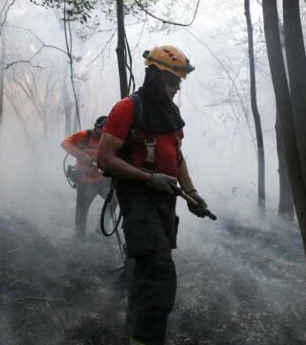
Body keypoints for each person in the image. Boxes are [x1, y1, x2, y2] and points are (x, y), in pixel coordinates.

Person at [97, 45, 211, 345]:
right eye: (172, 81)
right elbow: (105, 159)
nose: (177, 88)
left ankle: (135, 332)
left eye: (179, 82)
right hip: (138, 199)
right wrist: (149, 178)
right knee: (159, 270)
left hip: (165, 199)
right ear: (155, 76)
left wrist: (191, 191)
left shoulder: (170, 112)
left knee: (146, 271)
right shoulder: (127, 108)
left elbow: (178, 156)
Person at [61, 116, 113, 238]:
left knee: (114, 202)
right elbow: (65, 143)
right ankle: (80, 236)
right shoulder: (84, 136)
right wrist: (81, 154)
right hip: (85, 181)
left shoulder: (108, 139)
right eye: (103, 129)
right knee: (82, 210)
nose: (104, 133)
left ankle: (101, 229)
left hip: (103, 180)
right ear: (96, 127)